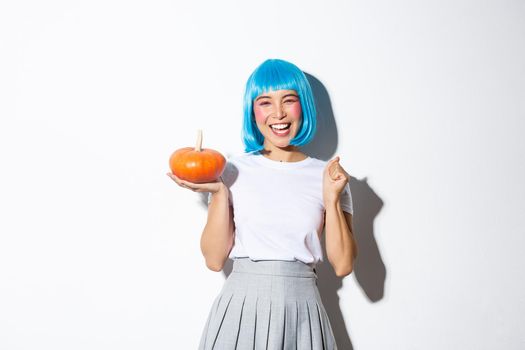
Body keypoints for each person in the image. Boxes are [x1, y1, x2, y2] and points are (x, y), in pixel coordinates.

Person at [167, 58, 357, 349]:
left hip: (302, 309)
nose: (278, 113)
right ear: (252, 111)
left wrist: (331, 200)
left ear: (303, 105)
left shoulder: (329, 176)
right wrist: (219, 193)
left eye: (289, 100)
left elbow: (343, 265)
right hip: (240, 307)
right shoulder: (230, 171)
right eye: (265, 102)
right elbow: (214, 259)